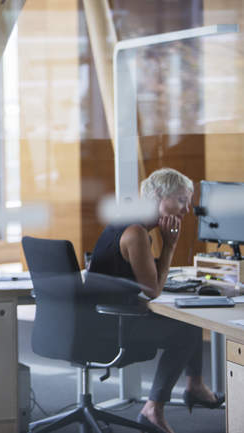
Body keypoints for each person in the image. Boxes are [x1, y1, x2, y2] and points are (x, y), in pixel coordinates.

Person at [89, 168, 223, 433]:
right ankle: (153, 409)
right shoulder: (137, 233)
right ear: (158, 197)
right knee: (185, 330)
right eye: (182, 200)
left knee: (189, 317)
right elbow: (153, 290)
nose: (187, 209)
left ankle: (194, 385)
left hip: (102, 316)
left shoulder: (128, 222)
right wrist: (170, 244)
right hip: (109, 327)